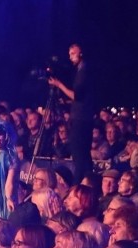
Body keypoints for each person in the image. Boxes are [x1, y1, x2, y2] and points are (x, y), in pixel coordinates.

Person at [48, 43, 94, 182]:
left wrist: (59, 84)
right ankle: (86, 181)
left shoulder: (84, 70)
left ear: (81, 53)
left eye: (73, 53)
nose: (71, 57)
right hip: (82, 116)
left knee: (79, 154)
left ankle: (78, 183)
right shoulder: (83, 70)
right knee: (83, 154)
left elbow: (77, 95)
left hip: (81, 119)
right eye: (69, 54)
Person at [0, 120, 19, 219]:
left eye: (0, 134)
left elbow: (9, 183)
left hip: (2, 203)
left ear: (6, 136)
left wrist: (9, 199)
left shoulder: (10, 158)